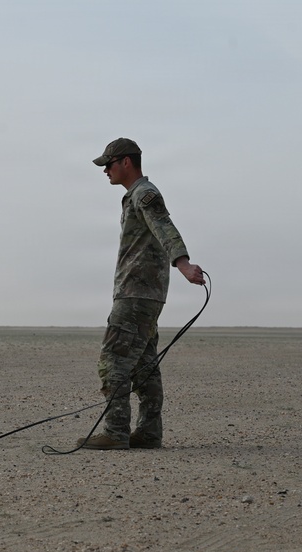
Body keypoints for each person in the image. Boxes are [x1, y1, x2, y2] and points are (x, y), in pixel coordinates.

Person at [81, 137, 206, 450]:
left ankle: (115, 432)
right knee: (144, 362)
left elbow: (165, 227)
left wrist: (184, 264)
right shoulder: (134, 196)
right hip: (145, 292)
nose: (105, 170)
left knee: (113, 359)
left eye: (108, 164)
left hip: (136, 292)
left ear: (126, 162)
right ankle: (149, 432)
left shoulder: (144, 193)